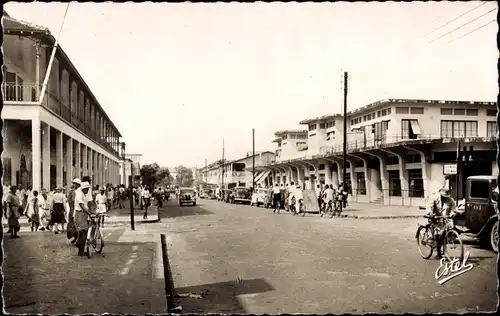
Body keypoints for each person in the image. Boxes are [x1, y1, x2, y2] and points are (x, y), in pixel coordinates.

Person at [427, 187, 457, 259]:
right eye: (443, 196)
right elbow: (429, 206)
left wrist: (452, 214)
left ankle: (444, 247)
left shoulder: (450, 200)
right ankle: (437, 250)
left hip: (445, 219)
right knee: (437, 235)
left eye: (446, 196)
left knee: (447, 232)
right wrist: (431, 214)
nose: (445, 198)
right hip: (435, 218)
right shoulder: (434, 198)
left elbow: (454, 209)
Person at [74, 181, 92, 256]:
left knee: (83, 232)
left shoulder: (83, 194)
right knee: (83, 233)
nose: (88, 191)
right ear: (84, 189)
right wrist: (89, 213)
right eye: (87, 189)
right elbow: (81, 205)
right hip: (80, 214)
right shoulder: (79, 194)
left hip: (83, 214)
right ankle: (80, 251)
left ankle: (80, 248)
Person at [67, 178, 81, 244]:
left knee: (77, 225)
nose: (74, 185)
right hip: (73, 209)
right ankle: (75, 237)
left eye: (75, 184)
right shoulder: (72, 191)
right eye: (74, 184)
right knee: (73, 224)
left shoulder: (79, 191)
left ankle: (78, 238)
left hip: (77, 210)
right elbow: (70, 201)